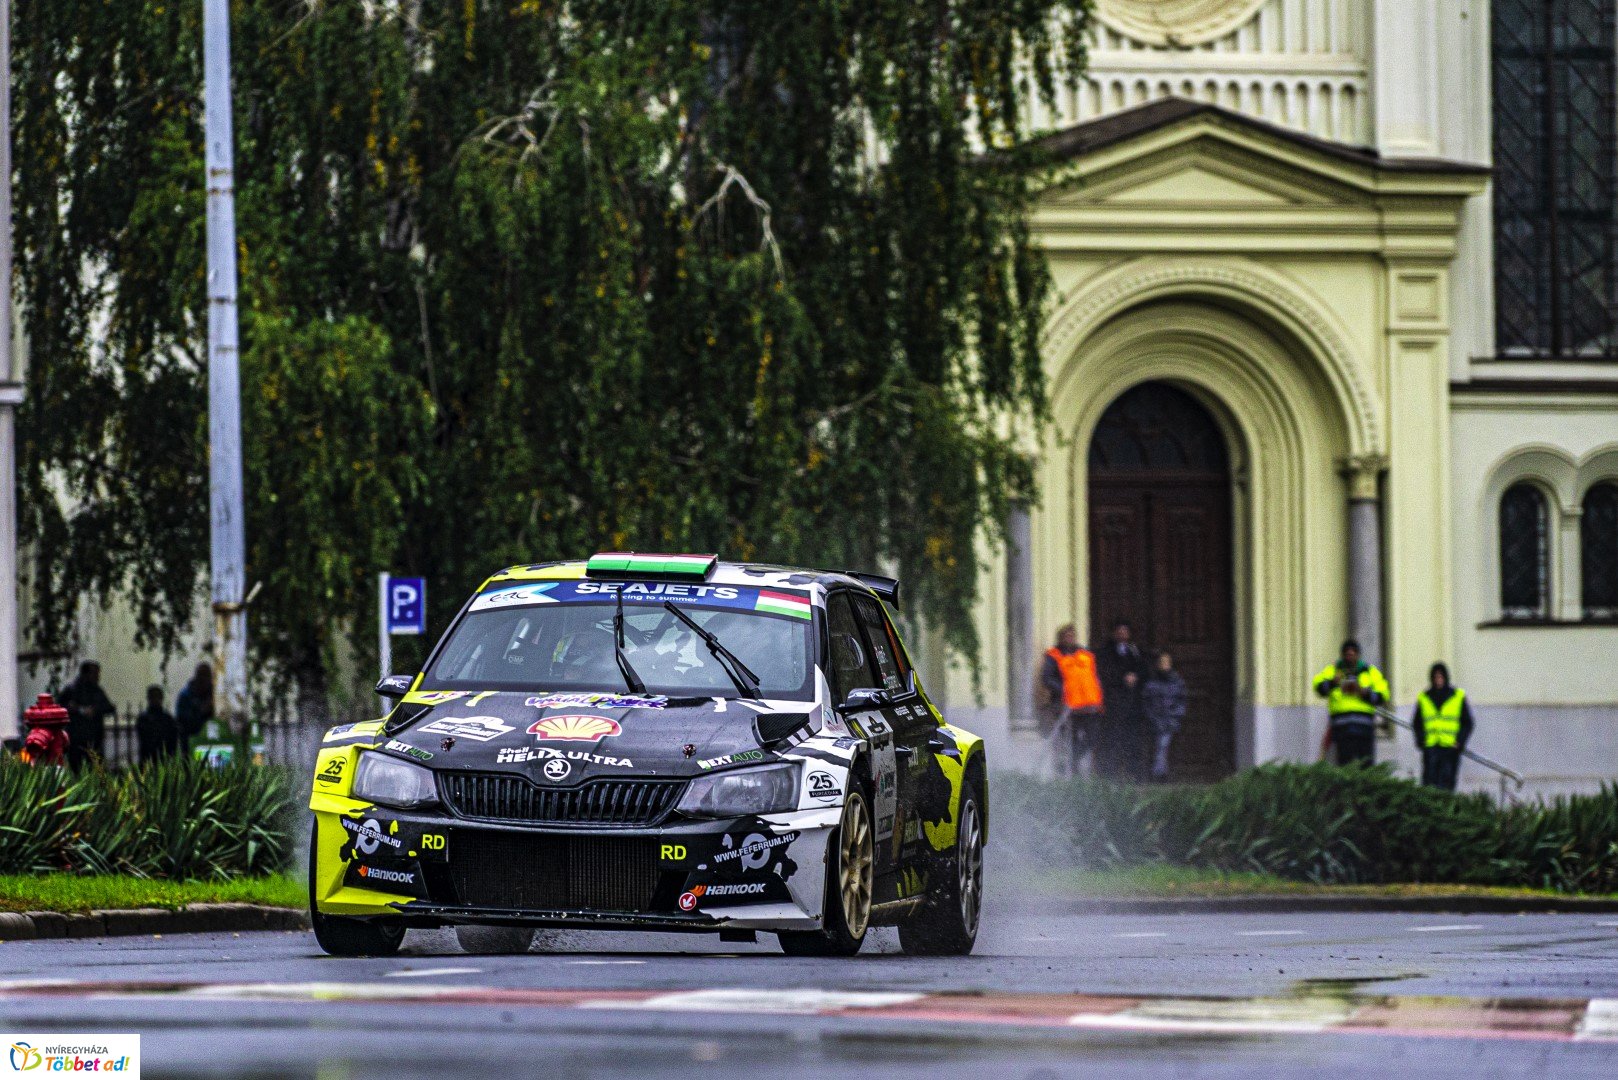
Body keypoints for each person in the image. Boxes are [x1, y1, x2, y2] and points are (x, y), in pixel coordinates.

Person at [1311, 639, 1389, 766]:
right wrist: (1332, 683)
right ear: (1342, 655)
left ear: (1358, 655)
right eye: (1347, 654)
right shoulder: (1333, 670)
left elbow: (1383, 695)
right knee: (1345, 766)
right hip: (1342, 729)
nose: (1350, 656)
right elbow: (1318, 687)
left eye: (1353, 654)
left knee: (1366, 765)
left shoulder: (1369, 671)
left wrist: (1364, 693)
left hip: (1364, 728)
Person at [1040, 624, 1103, 777]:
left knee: (1092, 737)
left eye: (1072, 636)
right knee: (1070, 739)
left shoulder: (1086, 654)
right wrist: (1063, 689)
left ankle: (1074, 760)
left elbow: (1094, 676)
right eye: (1066, 636)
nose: (1070, 639)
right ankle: (1071, 771)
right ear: (1060, 638)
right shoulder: (1054, 655)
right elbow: (1047, 678)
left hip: (1089, 705)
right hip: (1067, 706)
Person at [1096, 619, 1147, 779]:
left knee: (1132, 740)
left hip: (1132, 704)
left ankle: (1133, 774)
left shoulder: (1134, 650)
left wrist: (1136, 676)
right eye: (1119, 631)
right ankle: (1110, 774)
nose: (1122, 634)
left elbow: (1144, 668)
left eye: (1125, 631)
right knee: (1112, 739)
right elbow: (1104, 672)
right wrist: (1122, 678)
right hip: (1114, 703)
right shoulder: (1105, 651)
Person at [1411, 662, 1474, 792]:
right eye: (1435, 677)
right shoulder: (1424, 697)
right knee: (1429, 785)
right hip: (1431, 748)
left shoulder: (1458, 696)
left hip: (1450, 748)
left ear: (1446, 678)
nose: (1438, 680)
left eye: (1441, 677)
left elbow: (1467, 722)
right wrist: (1421, 740)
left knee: (1447, 785)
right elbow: (1417, 723)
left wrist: (1460, 741)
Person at [57, 660, 115, 771]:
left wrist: (95, 709)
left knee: (95, 768)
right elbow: (60, 706)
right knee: (77, 768)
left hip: (95, 737)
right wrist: (75, 709)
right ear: (86, 674)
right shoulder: (72, 689)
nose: (98, 677)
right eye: (95, 673)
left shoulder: (97, 690)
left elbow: (109, 708)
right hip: (76, 738)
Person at [1140, 651, 1188, 781]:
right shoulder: (1151, 683)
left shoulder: (1177, 682)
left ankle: (1159, 774)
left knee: (1163, 745)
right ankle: (1158, 773)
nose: (1164, 665)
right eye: (1161, 662)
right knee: (1157, 746)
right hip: (1154, 721)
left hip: (1170, 720)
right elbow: (1146, 702)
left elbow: (1182, 701)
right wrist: (1152, 717)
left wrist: (1175, 715)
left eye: (1166, 663)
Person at [175, 662, 215, 756]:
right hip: (192, 745)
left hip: (213, 744)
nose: (204, 679)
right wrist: (201, 711)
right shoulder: (186, 695)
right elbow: (183, 721)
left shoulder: (215, 695)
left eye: (207, 676)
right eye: (202, 675)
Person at [135, 685, 180, 764]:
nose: (155, 700)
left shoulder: (168, 718)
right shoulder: (143, 719)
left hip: (164, 757)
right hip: (149, 757)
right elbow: (144, 739)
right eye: (153, 697)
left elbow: (173, 739)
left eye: (157, 697)